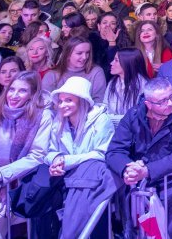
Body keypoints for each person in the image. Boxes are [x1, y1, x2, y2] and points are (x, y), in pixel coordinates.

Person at [106, 77, 172, 239]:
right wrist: (128, 169)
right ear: (148, 103)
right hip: (140, 187)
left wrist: (147, 170)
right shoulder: (134, 115)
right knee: (145, 232)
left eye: (171, 97)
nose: (170, 103)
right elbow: (114, 151)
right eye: (162, 101)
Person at [0, 71, 53, 239]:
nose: (14, 95)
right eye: (12, 89)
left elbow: (37, 156)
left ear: (32, 94)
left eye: (22, 91)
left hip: (24, 187)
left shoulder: (43, 116)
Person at [44, 77, 117, 239]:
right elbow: (50, 151)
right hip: (66, 181)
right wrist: (55, 160)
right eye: (61, 101)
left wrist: (66, 161)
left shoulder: (101, 120)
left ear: (82, 101)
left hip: (93, 183)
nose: (63, 105)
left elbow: (101, 154)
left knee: (95, 228)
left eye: (69, 100)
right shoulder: (59, 122)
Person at [42, 37, 107, 103]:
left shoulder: (96, 72)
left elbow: (98, 101)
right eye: (79, 53)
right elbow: (45, 102)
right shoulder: (52, 75)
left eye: (87, 53)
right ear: (68, 54)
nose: (84, 57)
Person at [104, 47, 149, 117]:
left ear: (127, 63)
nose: (111, 63)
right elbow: (105, 107)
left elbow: (141, 115)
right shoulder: (112, 83)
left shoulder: (144, 86)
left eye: (116, 60)